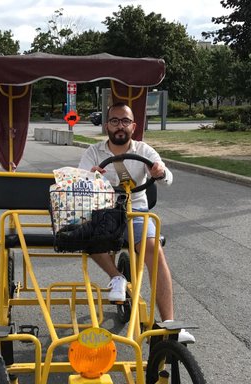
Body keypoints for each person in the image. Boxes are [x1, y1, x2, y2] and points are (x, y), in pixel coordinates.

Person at [78, 102, 195, 344]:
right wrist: (91, 176)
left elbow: (167, 178)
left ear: (133, 126)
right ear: (106, 125)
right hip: (104, 211)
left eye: (124, 121)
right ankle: (117, 276)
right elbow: (79, 181)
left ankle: (170, 324)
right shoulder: (94, 151)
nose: (119, 126)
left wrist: (159, 172)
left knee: (155, 251)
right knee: (85, 233)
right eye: (114, 121)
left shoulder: (144, 150)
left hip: (137, 211)